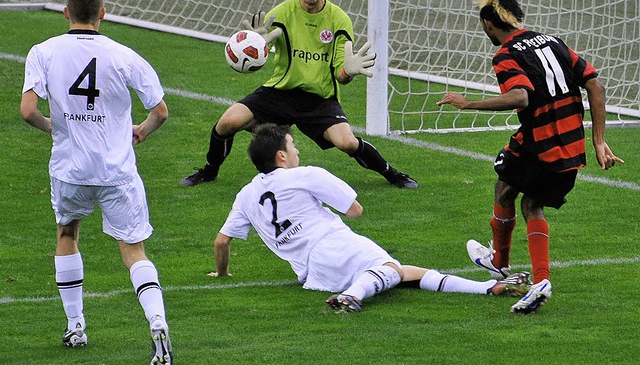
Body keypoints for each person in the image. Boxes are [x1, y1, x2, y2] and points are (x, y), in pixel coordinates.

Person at [436, 0, 624, 314]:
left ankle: (510, 267)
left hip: (540, 144)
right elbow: (595, 83)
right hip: (572, 147)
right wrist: (599, 140)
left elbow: (520, 96)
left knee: (506, 188)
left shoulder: (506, 54)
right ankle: (520, 272)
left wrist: (468, 103)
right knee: (529, 201)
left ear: (487, 24)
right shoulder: (552, 41)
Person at [209, 123, 531, 312]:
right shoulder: (304, 175)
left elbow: (222, 241)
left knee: (404, 274)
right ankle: (352, 296)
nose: (297, 152)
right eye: (293, 146)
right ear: (281, 156)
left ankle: (487, 288)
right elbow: (354, 209)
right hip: (333, 243)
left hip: (310, 271)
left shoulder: (246, 195)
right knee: (389, 269)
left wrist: (222, 274)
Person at [20, 0, 173, 363]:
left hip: (70, 170)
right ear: (102, 14)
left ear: (66, 13)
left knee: (67, 233)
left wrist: (53, 126)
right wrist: (141, 131)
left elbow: (27, 111)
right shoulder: (124, 55)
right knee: (133, 250)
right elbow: (160, 111)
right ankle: (157, 321)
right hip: (117, 173)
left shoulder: (43, 52)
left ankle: (75, 326)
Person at [180, 0, 418, 189]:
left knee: (346, 142)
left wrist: (349, 70)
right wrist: (257, 43)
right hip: (280, 92)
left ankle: (392, 173)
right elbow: (260, 52)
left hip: (319, 98)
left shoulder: (339, 20)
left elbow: (340, 75)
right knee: (227, 122)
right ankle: (209, 171)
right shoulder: (282, 13)